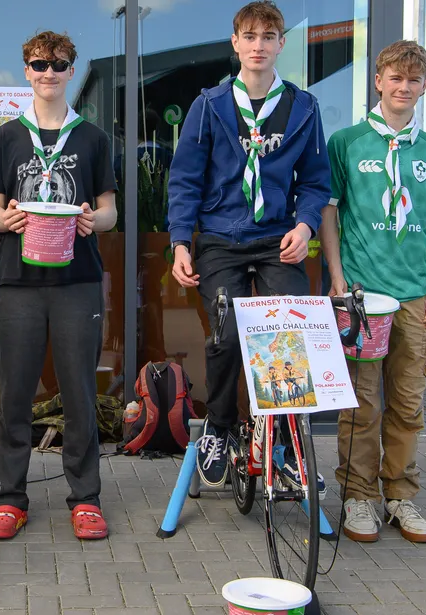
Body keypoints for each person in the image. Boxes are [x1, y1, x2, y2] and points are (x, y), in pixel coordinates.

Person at [168, 1, 330, 488]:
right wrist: (180, 243)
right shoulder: (209, 105)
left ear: (282, 43)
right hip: (222, 237)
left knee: (285, 338)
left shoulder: (304, 107)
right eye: (249, 36)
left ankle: (281, 445)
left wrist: (304, 228)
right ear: (235, 43)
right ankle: (219, 427)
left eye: (269, 36)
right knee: (226, 329)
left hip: (278, 238)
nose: (259, 45)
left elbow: (317, 182)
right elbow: (185, 181)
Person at [0, 30, 118, 540]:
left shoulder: (92, 138)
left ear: (71, 71)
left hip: (76, 280)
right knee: (14, 392)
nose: (49, 73)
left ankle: (85, 499)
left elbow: (110, 209)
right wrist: (6, 219)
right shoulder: (6, 137)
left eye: (59, 65)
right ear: (26, 71)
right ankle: (11, 499)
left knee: (79, 391)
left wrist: (92, 220)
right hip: (18, 280)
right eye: (39, 64)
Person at [320, 40, 426, 544]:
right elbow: (329, 212)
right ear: (378, 81)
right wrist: (335, 273)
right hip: (362, 295)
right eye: (395, 78)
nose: (403, 87)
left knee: (407, 400)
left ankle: (400, 494)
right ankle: (358, 496)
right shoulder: (346, 142)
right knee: (360, 402)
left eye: (413, 80)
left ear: (423, 87)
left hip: (418, 293)